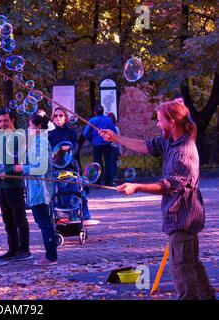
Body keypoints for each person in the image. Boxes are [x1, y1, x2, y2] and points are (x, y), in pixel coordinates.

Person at [99, 99, 216, 300]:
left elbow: (166, 186)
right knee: (191, 265)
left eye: (159, 120)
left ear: (172, 122)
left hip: (183, 219)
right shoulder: (172, 139)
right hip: (181, 217)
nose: (157, 124)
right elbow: (146, 146)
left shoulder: (183, 153)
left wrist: (137, 187)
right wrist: (115, 138)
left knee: (182, 272)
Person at [0, 109, 32, 262]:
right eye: (0, 121)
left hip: (14, 184)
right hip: (2, 185)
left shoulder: (19, 137)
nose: (2, 124)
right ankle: (12, 249)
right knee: (7, 219)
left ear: (12, 120)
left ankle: (24, 250)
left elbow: (20, 162)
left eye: (5, 121)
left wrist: (5, 173)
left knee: (19, 218)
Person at [13, 114, 57, 266]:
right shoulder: (36, 142)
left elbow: (40, 167)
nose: (29, 129)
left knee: (45, 223)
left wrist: (23, 168)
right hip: (35, 190)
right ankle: (50, 255)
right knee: (42, 223)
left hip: (41, 190)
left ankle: (51, 257)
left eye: (31, 126)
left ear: (38, 127)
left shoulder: (42, 142)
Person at [49, 107, 93, 222]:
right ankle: (60, 216)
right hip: (55, 167)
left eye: (61, 115)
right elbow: (50, 152)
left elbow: (74, 149)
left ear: (66, 118)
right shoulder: (50, 134)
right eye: (56, 116)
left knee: (79, 189)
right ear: (53, 118)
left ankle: (85, 215)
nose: (58, 118)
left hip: (70, 166)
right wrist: (61, 150)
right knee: (58, 192)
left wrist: (65, 149)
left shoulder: (71, 132)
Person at [82, 105, 117, 186]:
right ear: (103, 111)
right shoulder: (108, 120)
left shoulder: (92, 120)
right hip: (106, 144)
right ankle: (108, 181)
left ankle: (97, 181)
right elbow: (114, 131)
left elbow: (85, 133)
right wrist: (110, 139)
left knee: (97, 163)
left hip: (96, 145)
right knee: (108, 162)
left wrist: (91, 140)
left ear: (95, 112)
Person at [107, 112, 122, 183]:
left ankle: (109, 179)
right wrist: (120, 151)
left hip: (108, 147)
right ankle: (114, 178)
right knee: (113, 163)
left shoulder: (106, 129)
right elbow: (119, 140)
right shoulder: (116, 128)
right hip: (115, 147)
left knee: (109, 163)